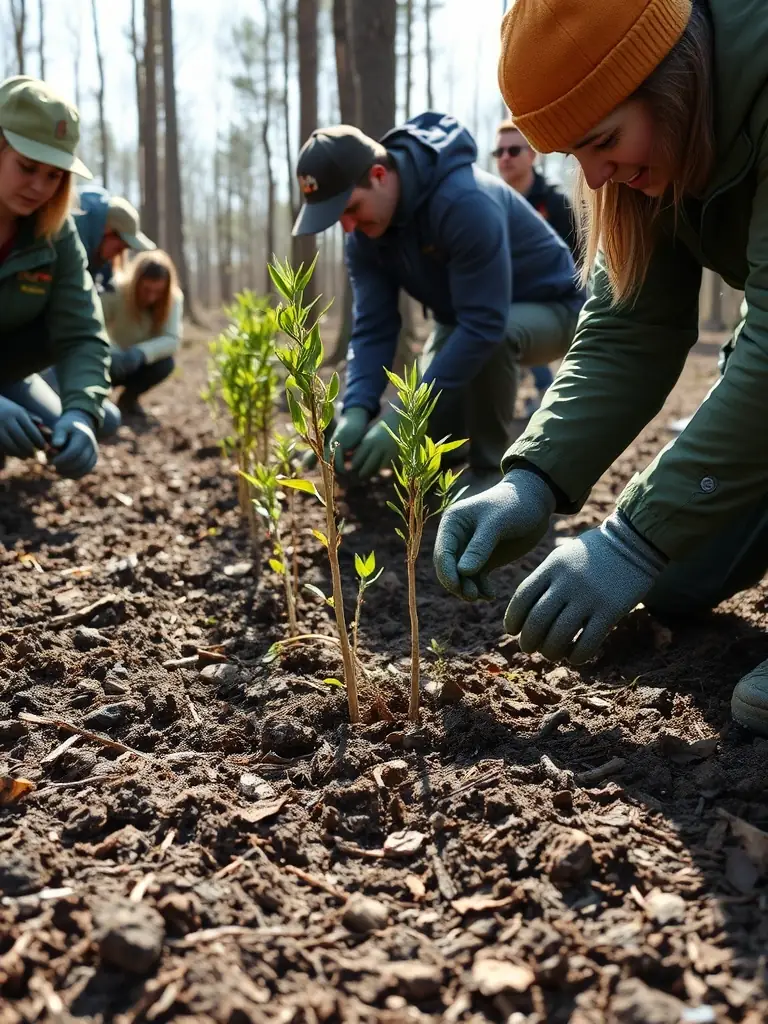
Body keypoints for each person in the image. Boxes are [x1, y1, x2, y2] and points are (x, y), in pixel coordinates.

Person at [434, 0, 768, 736]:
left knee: (653, 550)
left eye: (604, 140)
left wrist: (631, 537)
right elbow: (628, 328)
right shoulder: (659, 153)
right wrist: (533, 479)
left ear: (671, 79)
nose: (595, 174)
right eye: (574, 155)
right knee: (681, 579)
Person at [292, 113, 584, 496]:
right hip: (465, 321)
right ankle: (448, 458)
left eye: (350, 209)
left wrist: (401, 414)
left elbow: (485, 326)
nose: (347, 227)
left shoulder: (463, 202)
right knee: (420, 442)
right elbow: (373, 327)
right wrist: (357, 409)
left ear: (379, 175)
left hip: (552, 309)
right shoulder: (365, 236)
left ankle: (488, 472)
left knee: (494, 340)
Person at [0, 75, 113, 480]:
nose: (40, 188)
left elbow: (82, 332)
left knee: (102, 423)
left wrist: (82, 413)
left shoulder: (57, 233)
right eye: (27, 167)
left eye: (55, 176)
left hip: (10, 375)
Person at [494, 119, 579, 416]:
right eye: (499, 152)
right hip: (505, 297)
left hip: (553, 300)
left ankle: (546, 393)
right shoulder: (488, 204)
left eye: (514, 150)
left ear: (533, 155)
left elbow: (578, 255)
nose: (505, 157)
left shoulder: (555, 203)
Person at [101, 250, 183, 417]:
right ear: (136, 282)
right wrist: (113, 352)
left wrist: (140, 353)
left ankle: (128, 400)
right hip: (111, 361)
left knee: (166, 364)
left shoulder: (173, 299)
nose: (151, 297)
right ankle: (100, 400)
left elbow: (172, 340)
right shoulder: (117, 290)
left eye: (158, 292)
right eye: (146, 289)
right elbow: (95, 324)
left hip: (140, 364)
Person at [74, 184, 156, 292]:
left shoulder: (94, 258)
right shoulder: (72, 248)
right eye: (119, 248)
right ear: (107, 231)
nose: (117, 255)